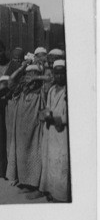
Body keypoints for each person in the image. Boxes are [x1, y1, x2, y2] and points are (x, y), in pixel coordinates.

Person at [31, 59, 70, 202]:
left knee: (61, 164)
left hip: (62, 133)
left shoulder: (68, 90)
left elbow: (70, 115)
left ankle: (61, 196)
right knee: (50, 161)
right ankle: (49, 191)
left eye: (62, 73)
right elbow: (48, 107)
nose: (59, 76)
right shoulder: (53, 89)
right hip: (50, 132)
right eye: (56, 73)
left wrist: (56, 120)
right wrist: (45, 114)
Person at [6, 64, 46, 194]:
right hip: (20, 130)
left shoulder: (41, 91)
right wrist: (21, 68)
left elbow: (51, 80)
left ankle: (33, 185)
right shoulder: (22, 90)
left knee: (34, 155)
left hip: (35, 130)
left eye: (34, 75)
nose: (31, 78)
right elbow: (10, 82)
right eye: (29, 75)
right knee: (21, 155)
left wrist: (38, 76)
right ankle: (23, 181)